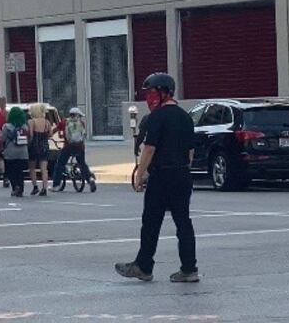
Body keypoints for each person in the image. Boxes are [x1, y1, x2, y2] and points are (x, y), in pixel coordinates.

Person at [116, 73, 198, 283]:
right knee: (183, 223)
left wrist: (140, 174)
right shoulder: (185, 116)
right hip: (182, 174)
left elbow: (149, 149)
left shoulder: (157, 117)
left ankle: (143, 266)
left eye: (152, 93)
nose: (149, 98)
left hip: (162, 175)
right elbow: (190, 153)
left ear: (163, 93)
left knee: (151, 222)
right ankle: (189, 269)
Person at [51, 107, 96, 192]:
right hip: (80, 147)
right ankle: (90, 179)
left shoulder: (64, 122)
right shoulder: (81, 123)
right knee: (82, 164)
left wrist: (50, 135)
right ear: (78, 115)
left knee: (60, 164)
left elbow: (55, 130)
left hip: (68, 147)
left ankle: (56, 185)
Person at [0, 107, 30, 197]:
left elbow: (2, 138)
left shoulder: (6, 126)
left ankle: (15, 187)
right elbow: (28, 137)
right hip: (23, 152)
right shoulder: (25, 126)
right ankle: (21, 189)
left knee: (11, 171)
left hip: (10, 152)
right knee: (20, 172)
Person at [27, 103, 52, 197]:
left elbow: (31, 135)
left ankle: (35, 186)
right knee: (44, 169)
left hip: (34, 146)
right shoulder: (47, 122)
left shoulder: (31, 122)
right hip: (44, 146)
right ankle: (44, 188)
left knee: (32, 168)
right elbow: (50, 134)